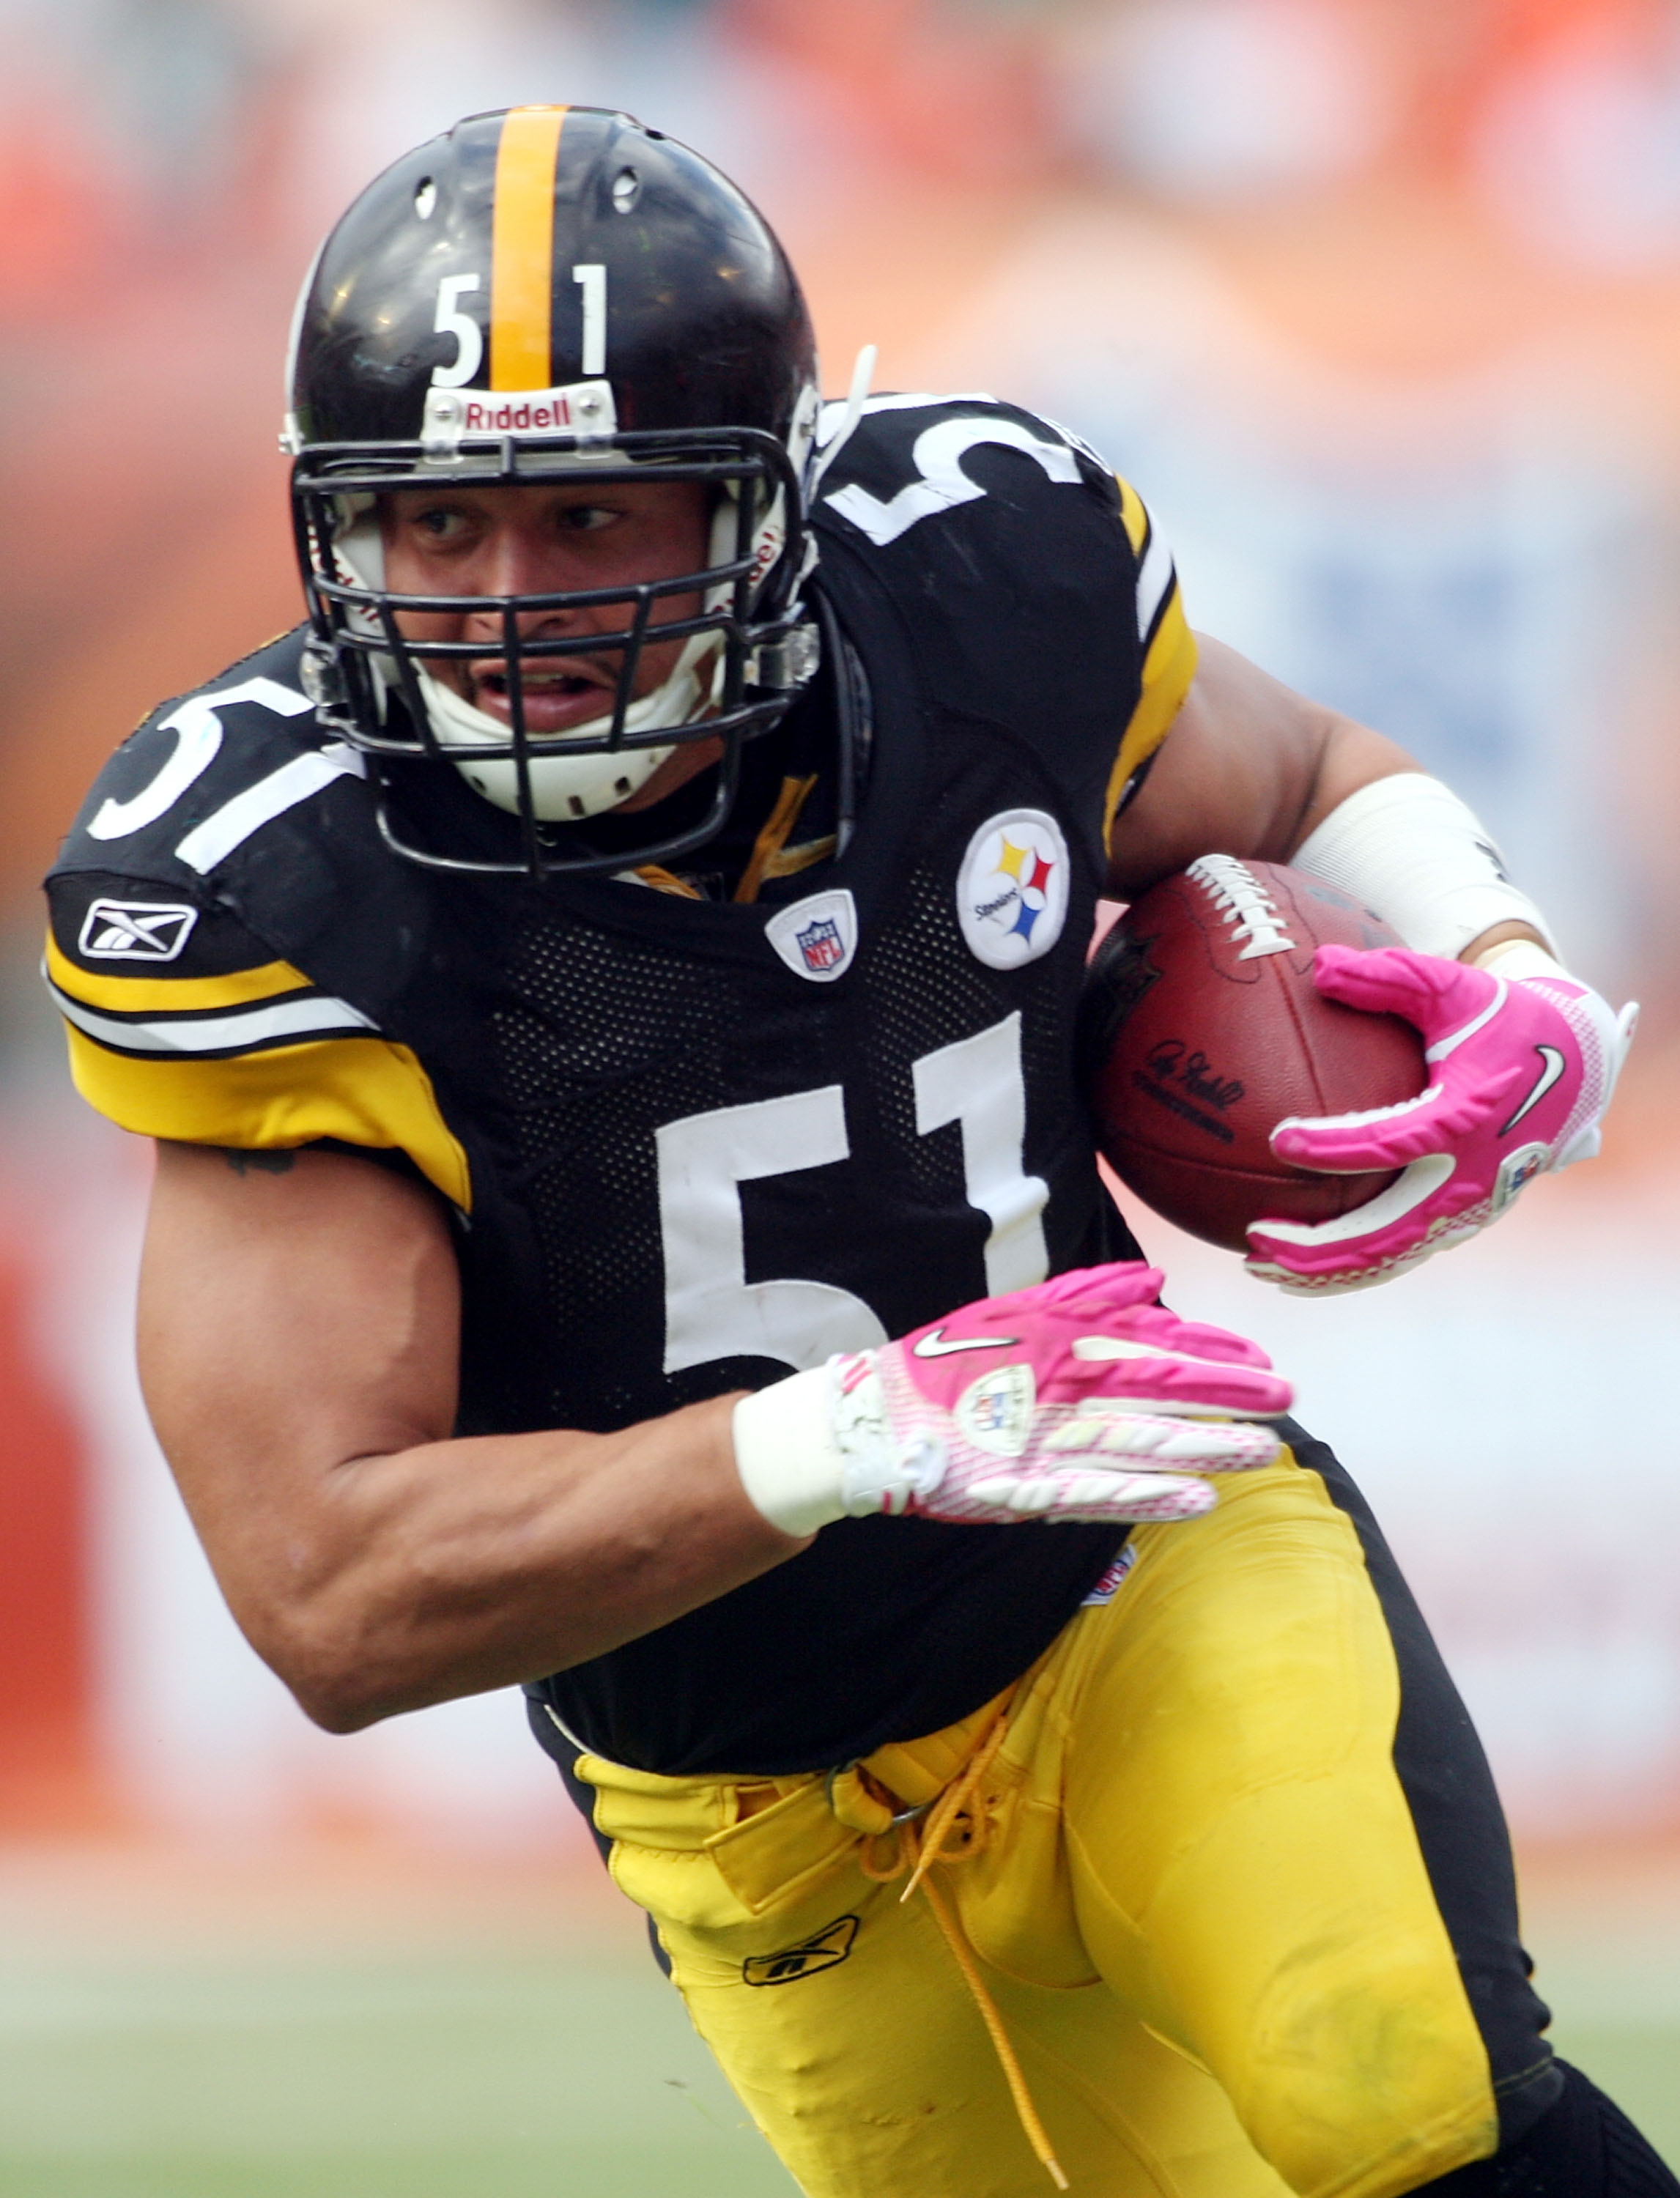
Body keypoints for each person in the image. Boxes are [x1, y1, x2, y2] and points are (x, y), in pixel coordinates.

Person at [44, 106, 1670, 2198]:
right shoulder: (281, 880)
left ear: (767, 504)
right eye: (438, 529)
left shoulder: (977, 585)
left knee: (1388, 2082)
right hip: (743, 1790)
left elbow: (1305, 763)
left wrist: (1500, 956)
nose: (505, 605)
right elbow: (330, 1590)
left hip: (1131, 1549)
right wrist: (855, 1431)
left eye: (595, 517)